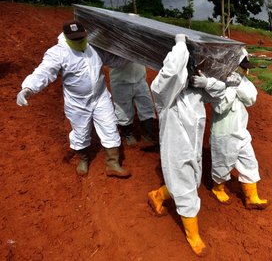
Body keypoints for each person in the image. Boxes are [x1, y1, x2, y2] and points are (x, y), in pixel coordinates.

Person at [16, 20, 130, 178]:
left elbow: (114, 60)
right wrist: (28, 88)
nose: (79, 41)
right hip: (77, 102)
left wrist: (132, 54)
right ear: (66, 37)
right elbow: (44, 72)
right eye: (74, 39)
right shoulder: (58, 53)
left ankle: (113, 163)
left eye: (81, 38)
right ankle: (83, 159)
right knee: (81, 132)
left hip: (100, 96)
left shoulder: (94, 47)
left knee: (110, 126)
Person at [147, 34, 226, 257]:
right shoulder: (164, 93)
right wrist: (180, 44)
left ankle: (157, 195)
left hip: (193, 146)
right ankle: (193, 235)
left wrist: (207, 82)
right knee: (185, 187)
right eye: (189, 65)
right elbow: (171, 72)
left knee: (190, 181)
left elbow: (221, 94)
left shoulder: (197, 91)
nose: (192, 70)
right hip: (176, 148)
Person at [209, 49, 268, 210]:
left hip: (241, 129)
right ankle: (217, 188)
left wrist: (238, 83)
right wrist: (230, 87)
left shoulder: (241, 79)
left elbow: (251, 99)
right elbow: (220, 107)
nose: (245, 69)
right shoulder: (216, 81)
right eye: (242, 66)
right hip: (224, 131)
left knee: (249, 161)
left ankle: (251, 197)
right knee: (223, 162)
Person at [108, 60, 157, 146]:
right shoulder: (113, 47)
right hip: (120, 81)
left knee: (147, 107)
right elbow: (108, 60)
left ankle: (147, 135)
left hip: (140, 78)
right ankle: (128, 134)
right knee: (123, 111)